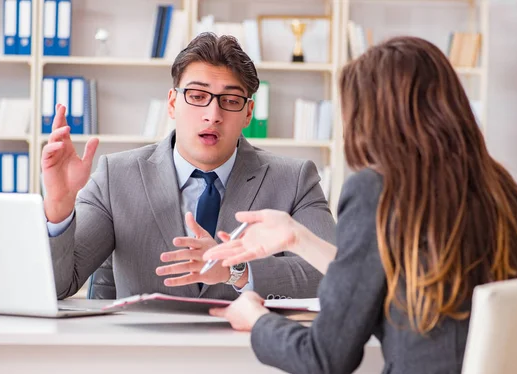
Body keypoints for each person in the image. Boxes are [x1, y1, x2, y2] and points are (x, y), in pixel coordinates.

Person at [204, 36, 517, 374]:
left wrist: (256, 320)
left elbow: (324, 358)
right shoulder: (497, 188)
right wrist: (297, 237)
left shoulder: (376, 190)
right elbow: (389, 277)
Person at [42, 32, 335, 301]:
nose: (213, 115)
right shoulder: (115, 176)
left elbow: (337, 277)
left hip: (249, 352)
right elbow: (57, 286)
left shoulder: (294, 180)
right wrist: (59, 203)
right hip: (143, 351)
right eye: (197, 96)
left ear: (248, 113)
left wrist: (238, 270)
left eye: (230, 100)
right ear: (172, 104)